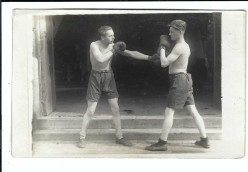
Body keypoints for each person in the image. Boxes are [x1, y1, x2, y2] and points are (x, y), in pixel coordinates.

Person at [115, 20, 210, 151]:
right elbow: (154, 58)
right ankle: (204, 140)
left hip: (179, 80)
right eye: (169, 31)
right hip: (184, 79)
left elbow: (164, 63)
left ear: (180, 31)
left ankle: (162, 143)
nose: (169, 33)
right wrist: (125, 52)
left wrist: (163, 48)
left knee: (169, 112)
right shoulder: (181, 46)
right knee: (193, 110)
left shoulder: (179, 47)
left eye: (172, 31)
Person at [77, 26, 133, 148]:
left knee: (115, 108)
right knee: (91, 110)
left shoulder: (113, 45)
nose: (114, 37)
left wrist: (149, 57)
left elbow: (130, 53)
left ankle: (120, 137)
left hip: (109, 76)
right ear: (102, 37)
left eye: (113, 35)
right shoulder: (94, 45)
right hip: (96, 77)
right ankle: (82, 137)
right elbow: (100, 59)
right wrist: (113, 50)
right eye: (110, 35)